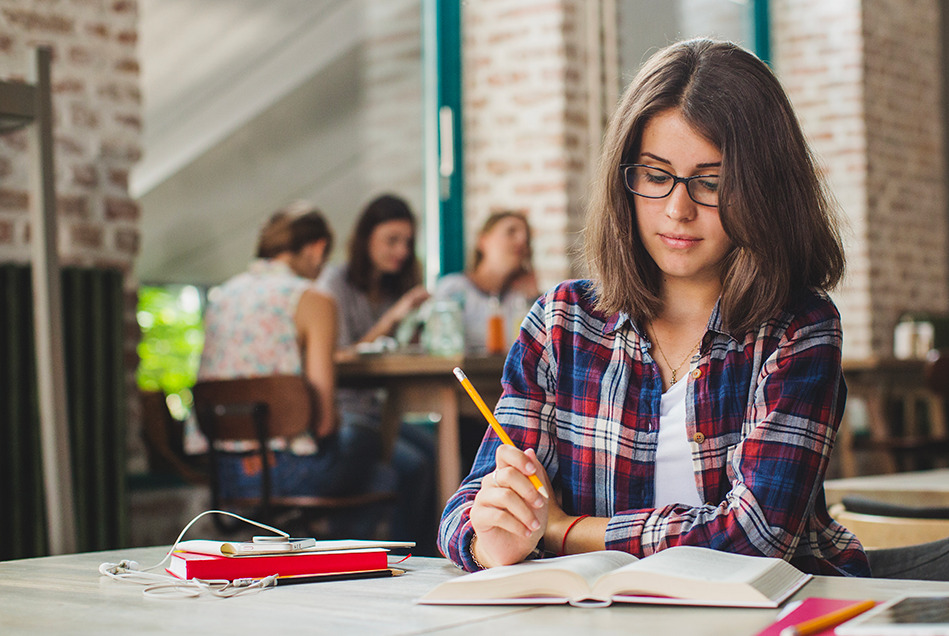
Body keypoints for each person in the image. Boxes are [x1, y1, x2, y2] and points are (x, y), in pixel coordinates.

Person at [438, 39, 869, 577]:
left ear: (764, 190)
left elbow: (756, 537)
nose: (677, 209)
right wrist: (492, 540)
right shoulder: (561, 323)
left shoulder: (799, 328)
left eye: (711, 183)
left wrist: (561, 530)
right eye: (655, 175)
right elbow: (467, 508)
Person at [197, 202, 393, 538]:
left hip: (223, 473)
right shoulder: (312, 299)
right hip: (289, 470)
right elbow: (325, 422)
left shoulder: (221, 297)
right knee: (374, 447)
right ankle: (339, 562)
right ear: (317, 249)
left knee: (387, 470)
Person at [316, 194, 436, 550]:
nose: (401, 251)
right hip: (346, 411)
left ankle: (429, 553)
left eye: (407, 242)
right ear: (366, 238)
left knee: (437, 452)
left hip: (383, 410)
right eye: (391, 240)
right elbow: (337, 357)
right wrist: (392, 319)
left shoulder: (391, 287)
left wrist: (414, 324)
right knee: (413, 465)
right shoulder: (334, 283)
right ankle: (405, 556)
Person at [432, 211, 539, 354]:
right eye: (511, 232)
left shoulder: (523, 298)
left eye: (526, 237)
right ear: (483, 240)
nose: (521, 240)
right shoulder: (453, 289)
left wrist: (535, 300)